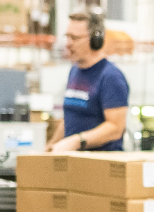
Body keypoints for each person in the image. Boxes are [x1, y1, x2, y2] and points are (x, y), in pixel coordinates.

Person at [47, 9, 129, 153]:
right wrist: (51, 146)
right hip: (75, 162)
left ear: (95, 39)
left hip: (101, 165)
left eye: (74, 38)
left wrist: (77, 141)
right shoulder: (74, 71)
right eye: (67, 37)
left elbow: (116, 128)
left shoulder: (110, 77)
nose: (68, 44)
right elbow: (69, 117)